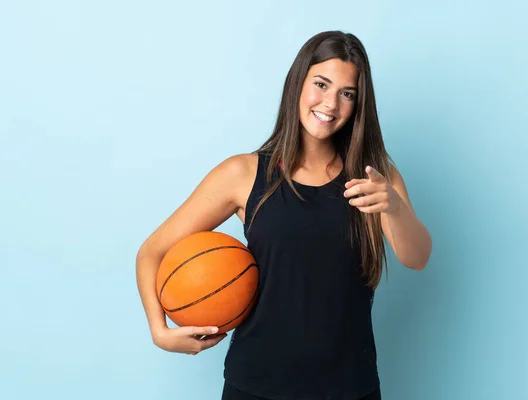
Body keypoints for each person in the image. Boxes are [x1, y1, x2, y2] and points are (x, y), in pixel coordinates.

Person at [136, 30, 432, 400]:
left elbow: (417, 258)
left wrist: (394, 206)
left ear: (358, 104)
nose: (331, 103)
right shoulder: (242, 174)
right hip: (256, 386)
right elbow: (152, 251)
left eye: (347, 93)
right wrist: (159, 331)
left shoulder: (374, 177)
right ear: (298, 84)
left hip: (350, 388)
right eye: (321, 84)